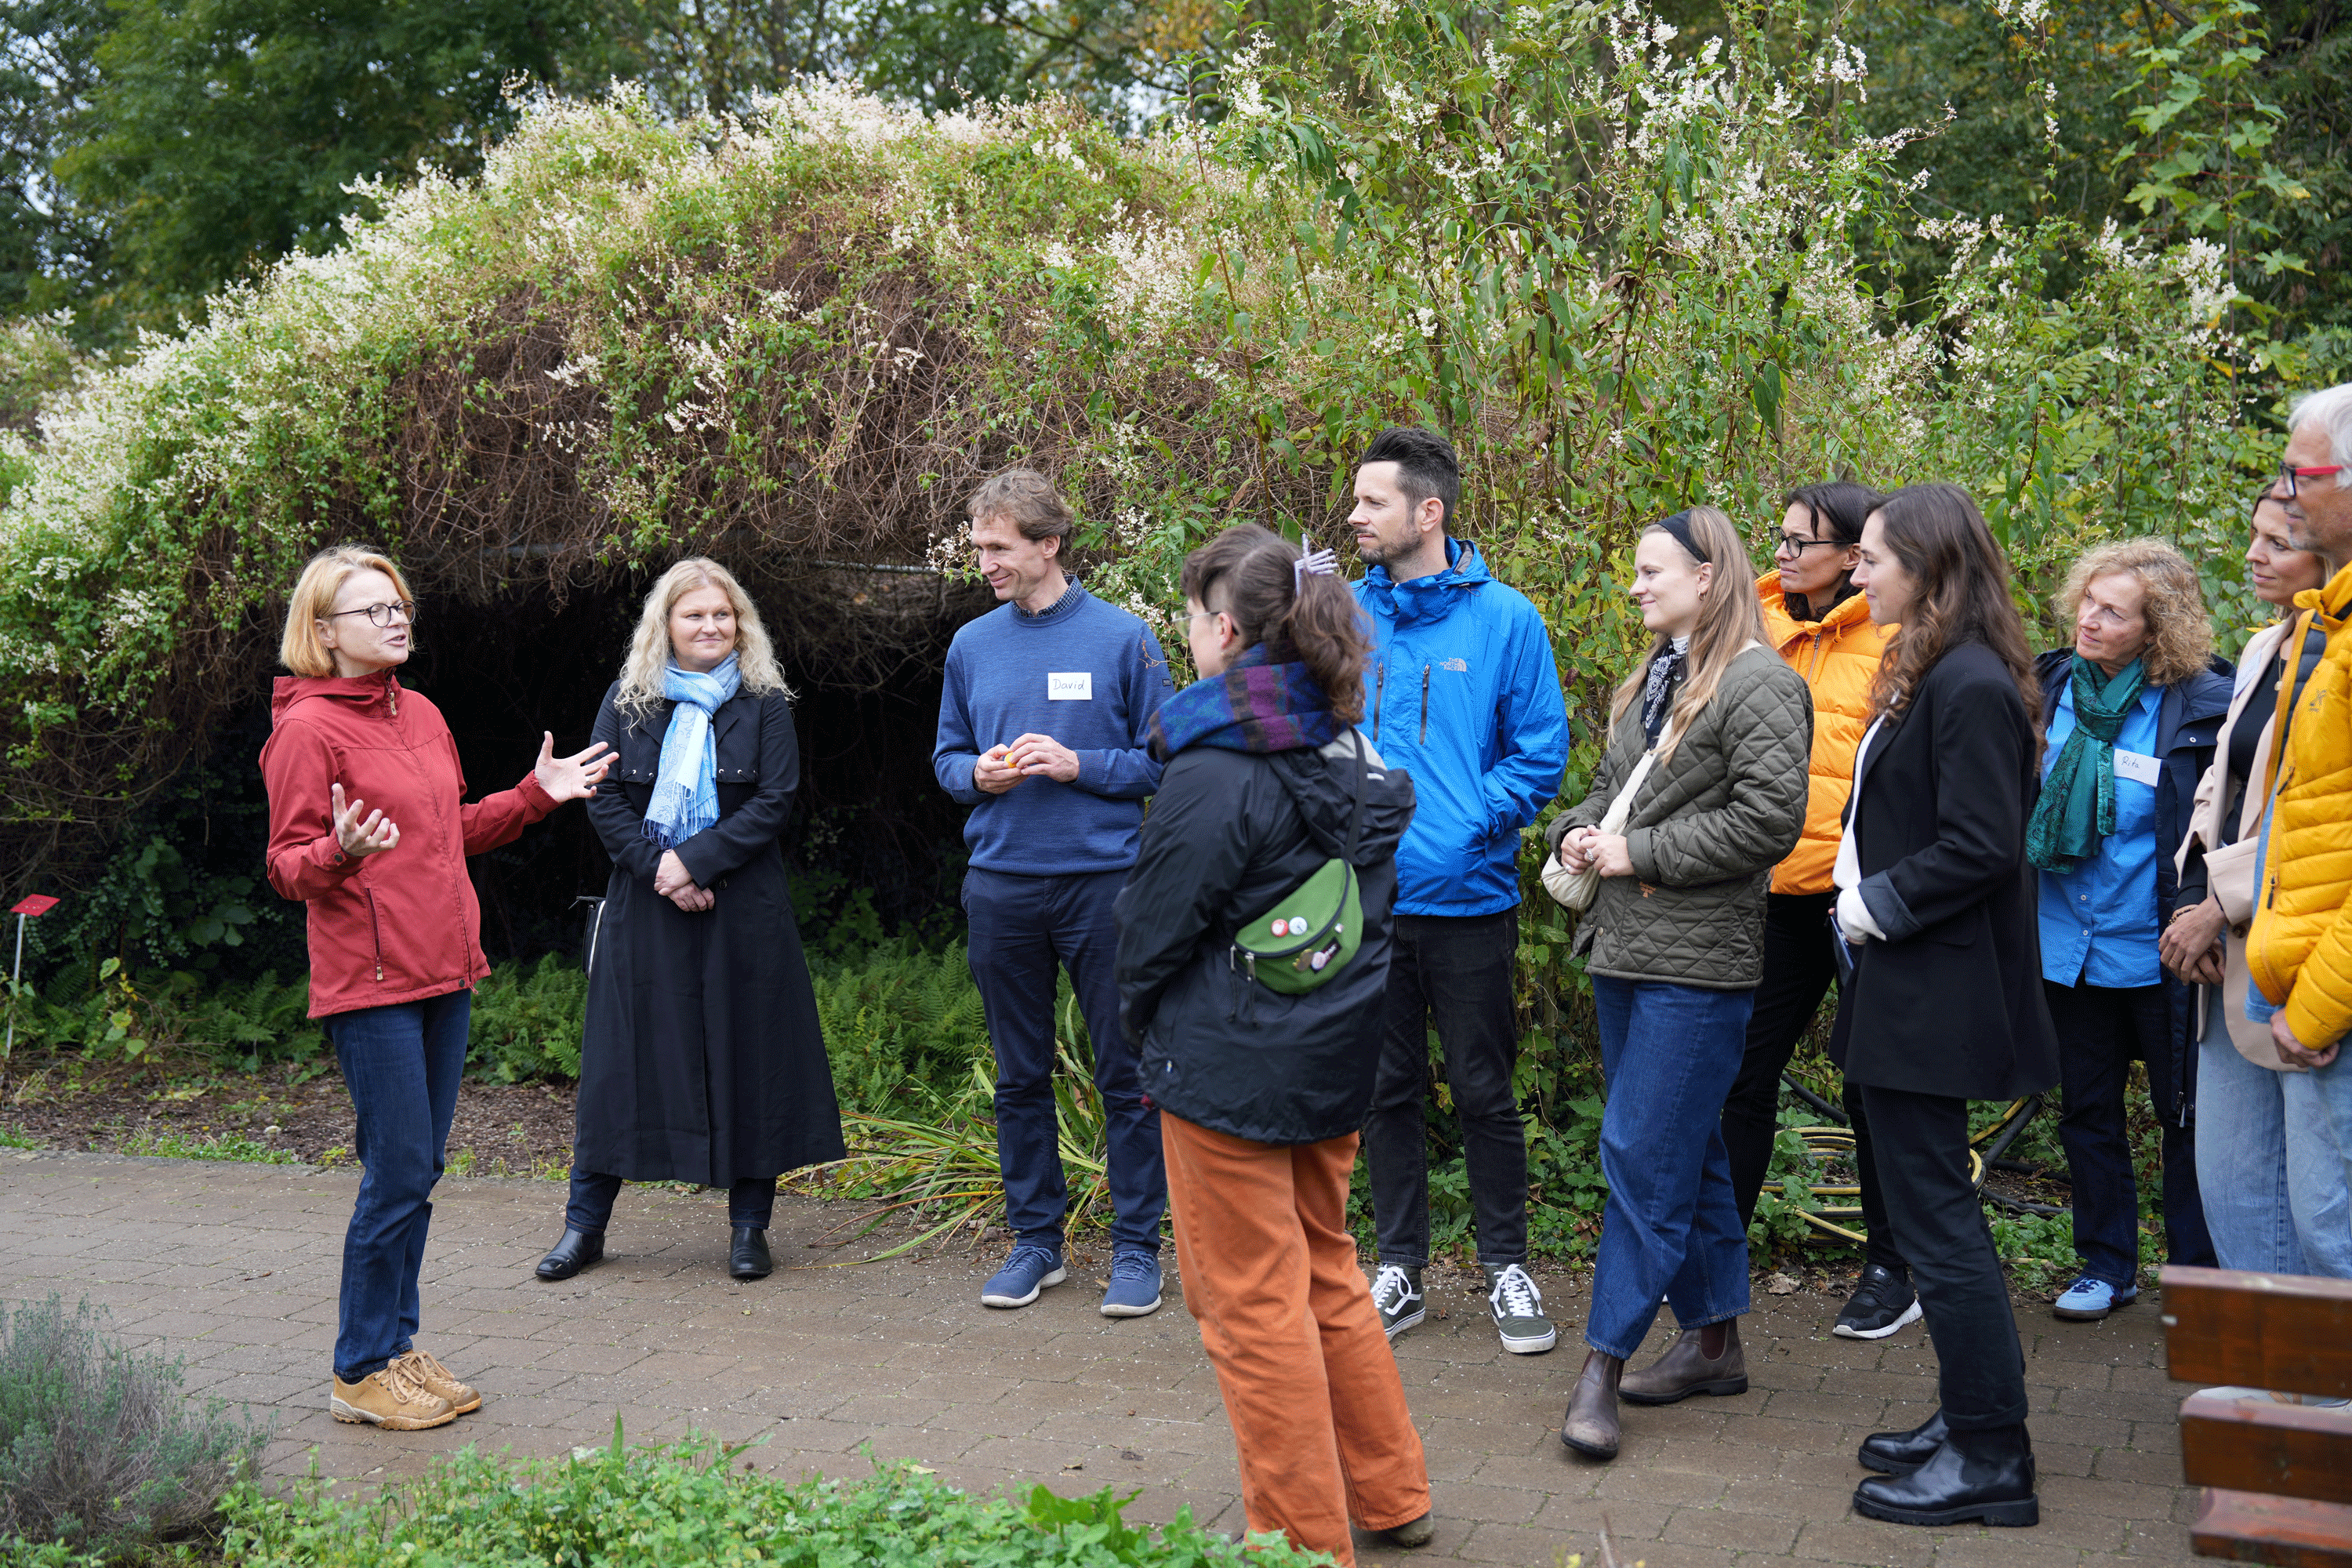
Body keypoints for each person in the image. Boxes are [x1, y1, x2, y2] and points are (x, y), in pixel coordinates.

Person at [1114, 524, 1430, 1566]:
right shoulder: (1358, 751)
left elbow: (1154, 932)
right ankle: (1391, 1496)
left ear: (1223, 630)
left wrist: (1138, 1024)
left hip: (1228, 1068)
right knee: (1328, 1271)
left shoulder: (1213, 769)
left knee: (1253, 1310)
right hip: (1333, 1059)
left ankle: (1299, 1546)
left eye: (1193, 617)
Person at [262, 545, 612, 1431]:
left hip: (442, 969)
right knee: (399, 1171)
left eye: (398, 604)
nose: (394, 618)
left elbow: (449, 831)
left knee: (419, 1172)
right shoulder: (306, 730)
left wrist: (537, 793)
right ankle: (358, 1367)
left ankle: (397, 1347)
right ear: (324, 631)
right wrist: (339, 847)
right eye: (371, 610)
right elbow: (286, 866)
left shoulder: (418, 711)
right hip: (369, 983)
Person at [1547, 506, 1812, 1461]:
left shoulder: (1761, 685)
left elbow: (1770, 821)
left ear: (1710, 576)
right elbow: (1611, 793)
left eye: (1653, 569)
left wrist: (1634, 850)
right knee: (1686, 1149)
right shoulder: (1652, 679)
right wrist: (1576, 832)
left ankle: (1601, 1365)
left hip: (1698, 969)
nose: (1635, 585)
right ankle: (1713, 1340)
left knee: (1640, 1157)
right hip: (1625, 952)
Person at [1832, 483, 2057, 1529]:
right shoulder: (1936, 671)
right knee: (1933, 1217)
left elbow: (1982, 844)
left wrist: (1874, 905)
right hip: (1908, 982)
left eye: (1873, 557)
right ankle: (1973, 1416)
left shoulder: (1966, 682)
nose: (1855, 570)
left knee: (1937, 1222)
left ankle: (1991, 1454)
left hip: (1935, 988)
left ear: (1931, 567)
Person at [536, 557, 845, 1287]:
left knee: (750, 1059)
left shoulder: (766, 702)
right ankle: (585, 1228)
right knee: (621, 1066)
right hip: (646, 907)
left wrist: (696, 863)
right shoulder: (629, 699)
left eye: (723, 615)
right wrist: (659, 871)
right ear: (665, 626)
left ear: (740, 624)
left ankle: (748, 1231)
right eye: (694, 615)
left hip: (744, 908)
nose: (711, 627)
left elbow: (775, 802)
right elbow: (599, 794)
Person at [932, 467, 1176, 1316]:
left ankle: (1138, 1248)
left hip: (1105, 885)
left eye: (998, 547)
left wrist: (1083, 765)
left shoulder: (1124, 639)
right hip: (1001, 886)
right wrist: (978, 774)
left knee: (1127, 1071)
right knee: (1019, 1075)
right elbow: (945, 761)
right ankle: (1037, 1241)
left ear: (1048, 544)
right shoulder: (971, 644)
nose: (985, 562)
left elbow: (1167, 761)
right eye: (980, 547)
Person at [1349, 426, 1571, 1356]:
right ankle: (1398, 1265)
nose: (1355, 516)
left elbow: (1541, 753)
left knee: (1483, 1088)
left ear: (1427, 512)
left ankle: (1506, 1265)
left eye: (1373, 502)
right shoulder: (1339, 615)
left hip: (1469, 899)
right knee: (1383, 1090)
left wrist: (1465, 821)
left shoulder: (1506, 619)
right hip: (1360, 901)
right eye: (1355, 501)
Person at [1715, 480, 1915, 1341]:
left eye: (1807, 541)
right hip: (1773, 893)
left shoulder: (1902, 634)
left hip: (1862, 898)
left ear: (1852, 554)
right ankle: (1712, 1258)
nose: (1786, 554)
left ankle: (1892, 1266)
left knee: (1874, 1088)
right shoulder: (1751, 622)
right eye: (1784, 538)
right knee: (1741, 1077)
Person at [2028, 539, 2230, 1320]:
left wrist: (2204, 907)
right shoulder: (2049, 687)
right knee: (2087, 1110)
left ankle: (2194, 1278)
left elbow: (2223, 824)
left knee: (2185, 1114)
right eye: (2088, 601)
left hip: (2162, 950)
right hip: (2066, 943)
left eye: (2113, 611)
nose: (2090, 619)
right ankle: (2106, 1265)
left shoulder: (2202, 704)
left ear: (2156, 628)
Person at [2164, 492, 2349, 1278]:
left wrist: (2218, 905)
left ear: (2331, 553)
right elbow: (2222, 789)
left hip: (2302, 948)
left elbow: (2298, 822)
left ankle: (2323, 1391)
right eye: (2253, 535)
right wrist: (2191, 896)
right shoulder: (2263, 646)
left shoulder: (2330, 660)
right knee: (2235, 1190)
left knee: (2320, 1211)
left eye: (2279, 542)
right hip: (2231, 950)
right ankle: (2278, 1389)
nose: (2253, 554)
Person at [2245, 382, 2352, 1252]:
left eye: (2296, 474)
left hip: (2331, 1010)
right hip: (2308, 986)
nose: (2283, 494)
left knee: (2334, 1234)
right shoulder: (2328, 624)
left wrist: (2315, 1009)